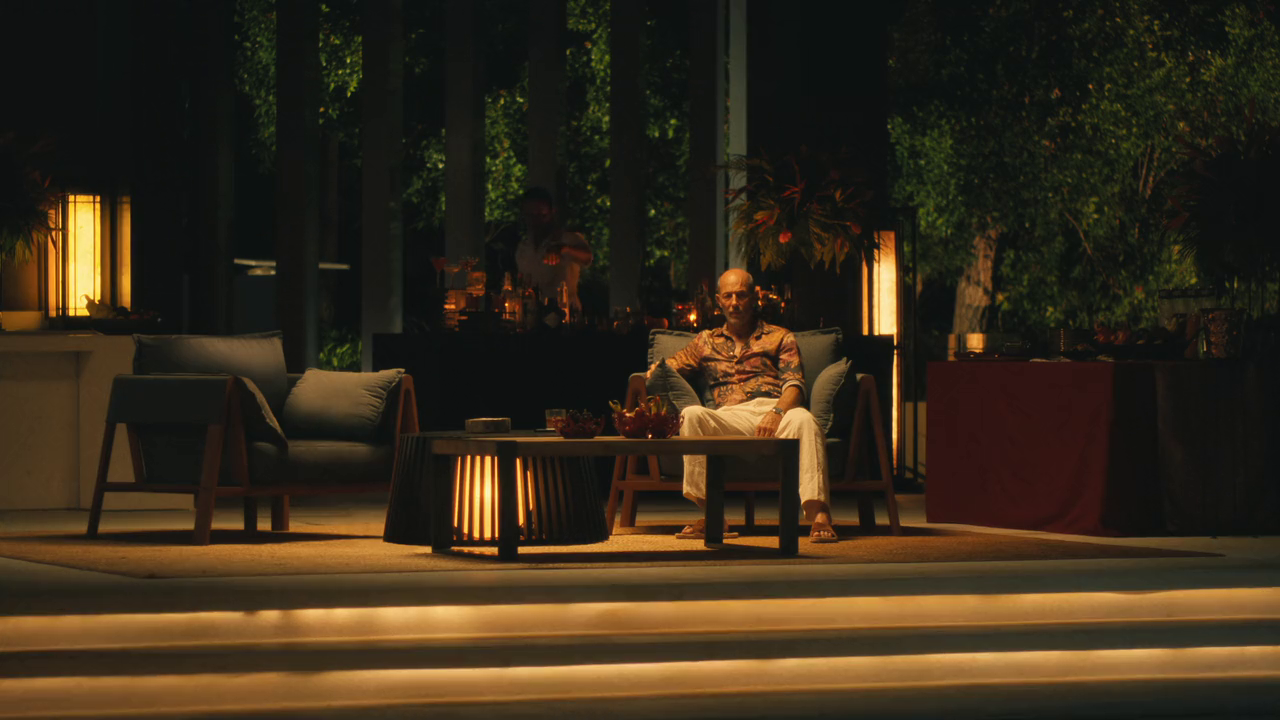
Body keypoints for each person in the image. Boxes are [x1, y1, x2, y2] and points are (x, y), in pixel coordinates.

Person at [650, 268, 838, 543]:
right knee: (691, 415)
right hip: (729, 417)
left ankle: (820, 515)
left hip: (775, 410)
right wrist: (654, 371)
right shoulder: (705, 341)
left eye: (741, 295)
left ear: (754, 298)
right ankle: (714, 515)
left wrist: (776, 413)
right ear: (719, 301)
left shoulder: (780, 336)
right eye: (728, 296)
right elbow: (669, 367)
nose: (735, 303)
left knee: (805, 420)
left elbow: (795, 385)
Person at [488, 187, 593, 314]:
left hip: (565, 314)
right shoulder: (524, 246)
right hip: (533, 314)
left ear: (552, 213)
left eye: (542, 215)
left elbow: (587, 257)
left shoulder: (567, 238)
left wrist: (564, 249)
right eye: (530, 216)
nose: (536, 221)